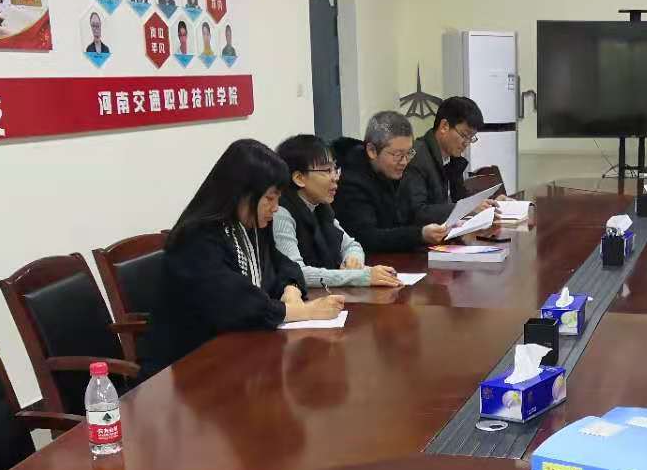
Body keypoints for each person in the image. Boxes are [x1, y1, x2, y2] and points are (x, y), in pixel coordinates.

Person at [139, 140, 346, 380]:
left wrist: (291, 289)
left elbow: (285, 265)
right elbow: (236, 303)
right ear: (242, 195)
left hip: (237, 353)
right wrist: (305, 311)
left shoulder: (250, 227)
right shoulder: (197, 239)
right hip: (185, 368)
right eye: (270, 199)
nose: (276, 208)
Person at [272, 134, 401, 289]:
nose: (335, 177)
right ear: (299, 178)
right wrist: (359, 277)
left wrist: (353, 260)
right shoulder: (281, 213)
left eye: (335, 169)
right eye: (327, 170)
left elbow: (352, 245)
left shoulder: (321, 207)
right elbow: (297, 273)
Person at [333, 111, 448, 253]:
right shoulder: (350, 181)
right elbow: (366, 237)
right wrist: (420, 235)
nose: (404, 162)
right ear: (372, 151)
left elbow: (406, 218)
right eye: (398, 155)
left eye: (409, 153)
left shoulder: (391, 171)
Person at [401, 96, 494, 226]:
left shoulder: (452, 158)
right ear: (444, 126)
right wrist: (466, 208)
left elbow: (459, 198)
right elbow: (418, 212)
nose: (467, 143)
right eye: (464, 135)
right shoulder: (417, 158)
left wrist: (487, 203)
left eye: (471, 138)